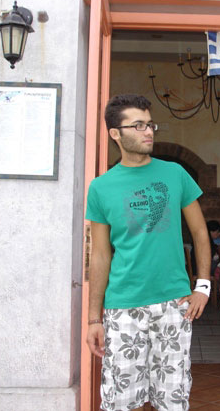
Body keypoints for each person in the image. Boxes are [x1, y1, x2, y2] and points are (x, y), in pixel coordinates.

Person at [85, 94, 211, 411]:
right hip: (123, 306)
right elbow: (99, 255)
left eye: (149, 124)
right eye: (138, 125)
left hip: (174, 303)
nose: (148, 131)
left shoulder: (174, 174)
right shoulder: (101, 187)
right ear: (115, 133)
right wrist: (93, 318)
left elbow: (199, 232)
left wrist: (203, 286)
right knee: (120, 401)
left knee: (173, 399)